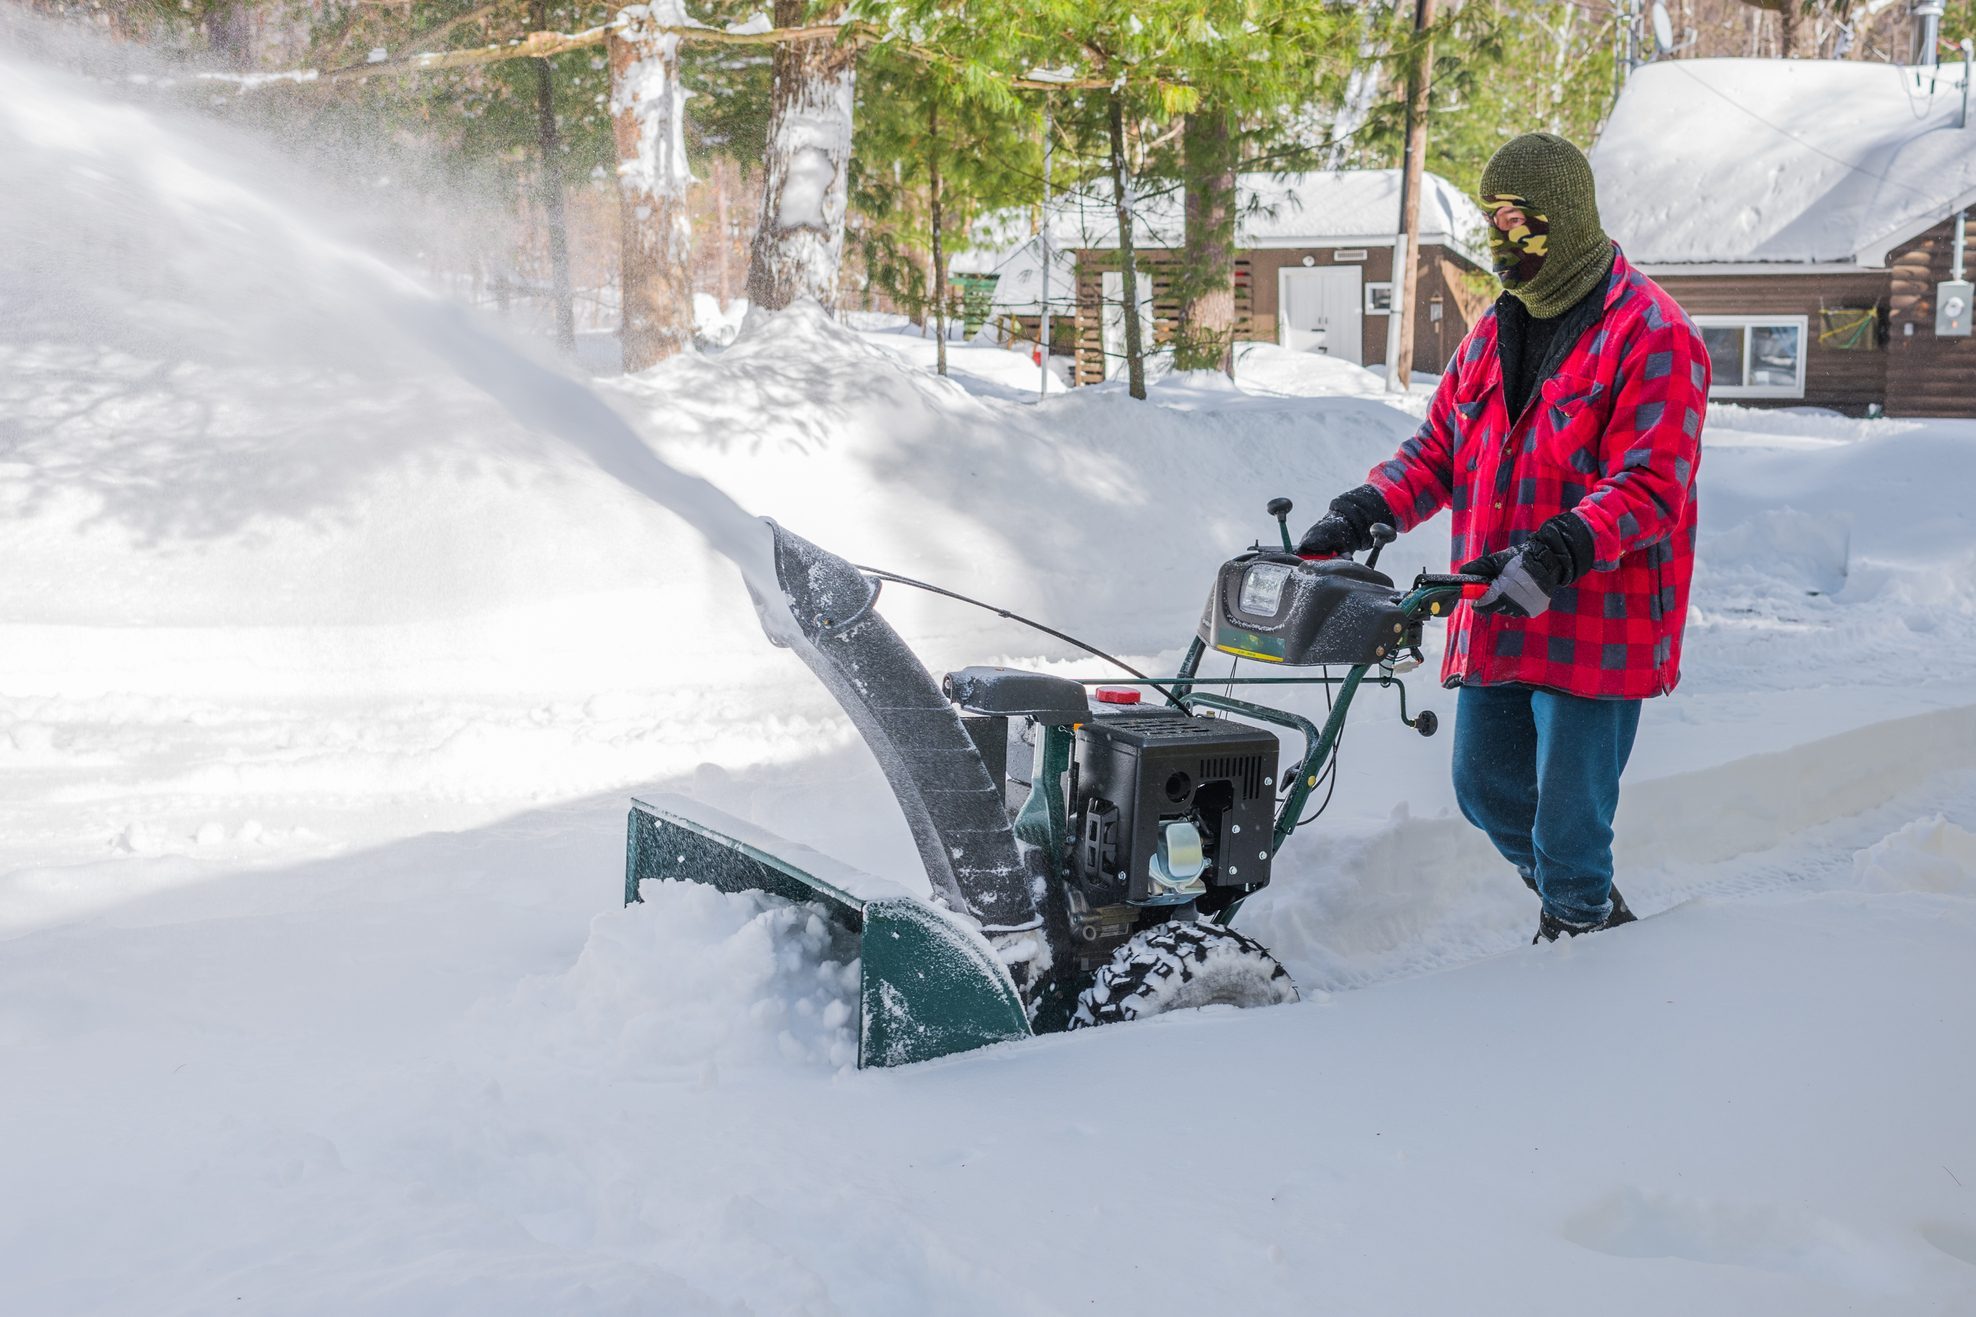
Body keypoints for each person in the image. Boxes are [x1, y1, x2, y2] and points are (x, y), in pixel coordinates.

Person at [1300, 132, 1708, 943]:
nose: (1504, 244)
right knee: (1484, 785)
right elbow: (1441, 448)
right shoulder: (1497, 329)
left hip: (1599, 620)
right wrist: (1362, 508)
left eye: (1523, 225)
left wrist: (1559, 547)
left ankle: (1581, 938)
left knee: (1569, 819)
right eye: (1494, 223)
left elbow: (1651, 483)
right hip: (1497, 603)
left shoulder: (1652, 332)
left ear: (1570, 220)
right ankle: (1586, 910)